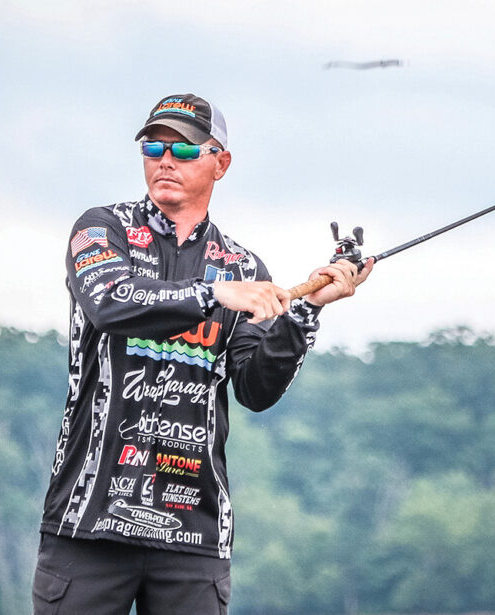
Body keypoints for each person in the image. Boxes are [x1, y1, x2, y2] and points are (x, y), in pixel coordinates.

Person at [33, 93, 373, 614]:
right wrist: (212, 293)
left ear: (221, 162)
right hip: (87, 525)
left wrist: (307, 313)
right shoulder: (103, 228)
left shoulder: (242, 265)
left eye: (185, 149)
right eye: (153, 146)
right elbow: (108, 303)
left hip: (193, 533)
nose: (165, 159)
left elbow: (256, 389)